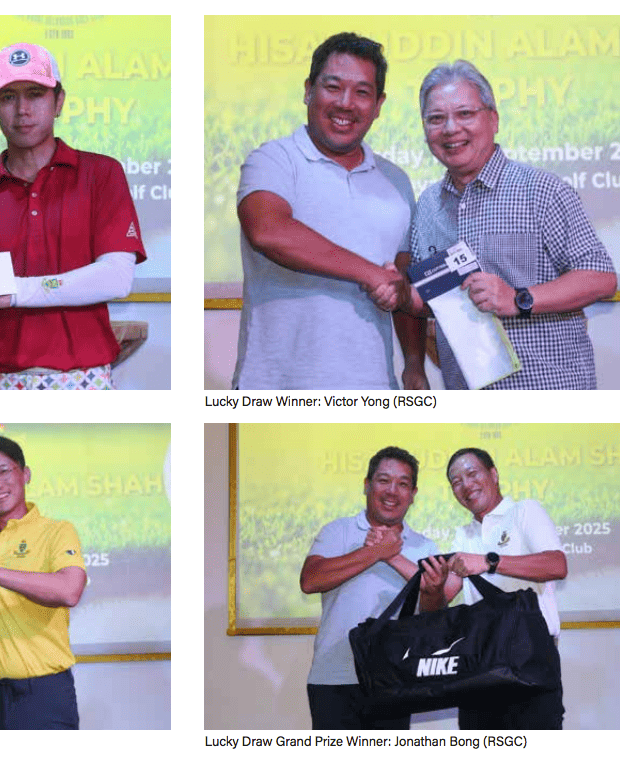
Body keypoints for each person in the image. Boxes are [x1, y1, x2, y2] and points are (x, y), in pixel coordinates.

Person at [0, 43, 146, 390]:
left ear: (59, 101)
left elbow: (116, 278)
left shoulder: (101, 174)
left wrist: (14, 292)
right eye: (8, 97)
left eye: (35, 94)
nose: (22, 110)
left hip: (84, 378)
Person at [404, 60, 616, 389]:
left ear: (494, 119)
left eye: (465, 114)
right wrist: (397, 292)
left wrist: (517, 299)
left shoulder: (543, 190)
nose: (450, 128)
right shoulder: (427, 206)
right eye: (435, 119)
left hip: (547, 394)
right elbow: (426, 302)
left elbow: (601, 278)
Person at [234, 32, 419, 390]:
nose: (345, 103)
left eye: (362, 92)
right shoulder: (273, 160)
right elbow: (268, 232)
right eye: (333, 87)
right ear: (308, 90)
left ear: (378, 105)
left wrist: (414, 363)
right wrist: (370, 273)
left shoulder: (396, 181)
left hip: (373, 385)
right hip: (276, 386)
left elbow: (400, 280)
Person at [421, 447, 567, 729]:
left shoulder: (524, 511)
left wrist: (489, 561)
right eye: (456, 482)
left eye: (472, 474)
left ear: (494, 474)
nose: (466, 485)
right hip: (478, 663)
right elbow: (433, 609)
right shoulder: (463, 535)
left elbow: (556, 565)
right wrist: (433, 589)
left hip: (530, 656)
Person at [299, 446, 443, 729]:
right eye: (383, 480)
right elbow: (310, 580)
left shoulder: (425, 547)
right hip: (334, 679)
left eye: (403, 484)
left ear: (413, 494)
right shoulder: (338, 531)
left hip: (394, 680)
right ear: (367, 485)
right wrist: (376, 552)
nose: (392, 491)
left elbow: (434, 615)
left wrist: (433, 589)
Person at [0, 436, 87, 729]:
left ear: (25, 474)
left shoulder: (57, 531)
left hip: (44, 693)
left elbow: (69, 591)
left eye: (4, 471)